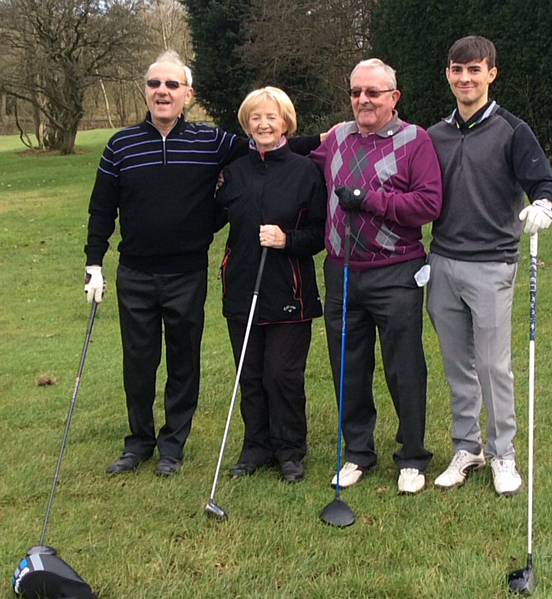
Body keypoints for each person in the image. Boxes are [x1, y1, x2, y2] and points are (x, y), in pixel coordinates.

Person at [84, 51, 322, 477]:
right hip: (135, 272)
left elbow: (268, 145)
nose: (163, 92)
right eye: (155, 84)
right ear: (146, 91)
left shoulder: (212, 142)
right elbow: (102, 209)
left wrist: (329, 139)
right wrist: (94, 263)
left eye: (172, 85)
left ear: (187, 94)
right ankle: (138, 443)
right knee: (138, 362)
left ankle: (173, 446)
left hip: (187, 273)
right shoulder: (121, 144)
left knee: (183, 361)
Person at [427, 36, 552, 495]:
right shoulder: (436, 135)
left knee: (491, 365)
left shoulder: (511, 129)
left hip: (492, 265)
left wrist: (544, 203)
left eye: (474, 70)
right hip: (443, 261)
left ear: (491, 75)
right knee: (456, 365)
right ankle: (467, 447)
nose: (465, 78)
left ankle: (503, 452)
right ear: (448, 74)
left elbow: (544, 180)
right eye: (457, 70)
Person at [311, 58, 443, 494]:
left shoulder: (414, 141)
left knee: (404, 367)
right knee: (348, 364)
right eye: (356, 92)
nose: (363, 100)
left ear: (393, 97)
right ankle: (358, 452)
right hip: (342, 271)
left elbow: (428, 205)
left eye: (372, 92)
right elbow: (296, 165)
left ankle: (412, 456)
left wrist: (369, 199)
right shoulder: (338, 139)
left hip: (396, 270)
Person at [214, 87, 326, 484]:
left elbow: (320, 234)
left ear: (286, 123)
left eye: (271, 117)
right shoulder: (234, 171)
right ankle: (256, 447)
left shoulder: (305, 171)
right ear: (246, 122)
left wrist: (286, 240)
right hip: (242, 288)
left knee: (282, 374)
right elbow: (212, 217)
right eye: (255, 117)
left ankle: (290, 449)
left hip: (289, 290)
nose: (263, 124)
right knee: (252, 375)